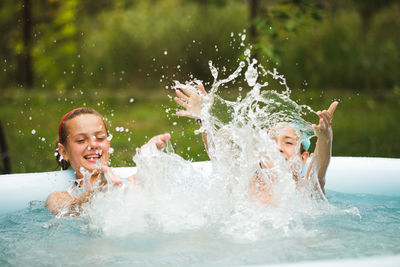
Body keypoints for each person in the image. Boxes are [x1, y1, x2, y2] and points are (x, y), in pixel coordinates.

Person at [173, 84, 338, 204]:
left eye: (288, 142)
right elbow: (219, 155)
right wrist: (204, 117)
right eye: (271, 142)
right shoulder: (245, 182)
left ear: (303, 158)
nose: (278, 147)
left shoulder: (304, 189)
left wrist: (324, 139)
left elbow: (319, 170)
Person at [45, 107, 171, 215]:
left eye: (100, 138)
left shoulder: (130, 182)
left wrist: (150, 158)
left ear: (108, 144)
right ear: (63, 152)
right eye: (81, 140)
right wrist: (97, 190)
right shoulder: (58, 197)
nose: (93, 144)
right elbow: (68, 210)